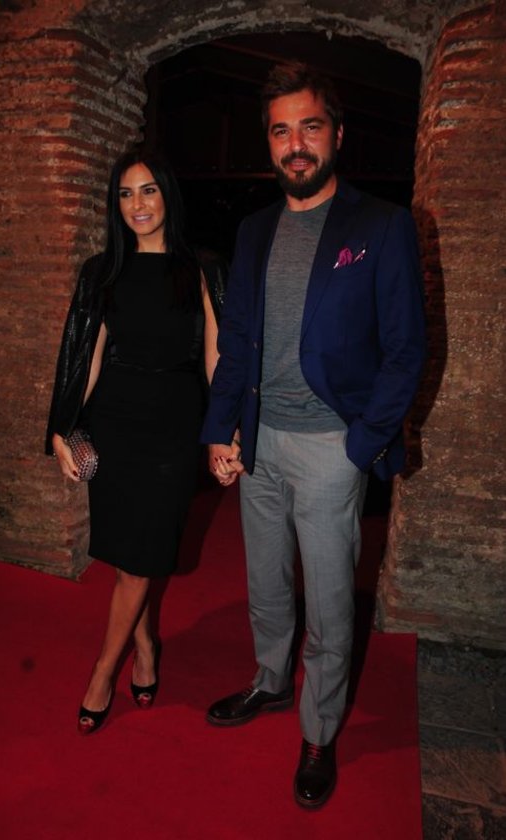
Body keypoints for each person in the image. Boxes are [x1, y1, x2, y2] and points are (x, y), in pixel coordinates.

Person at [200, 62, 426, 809]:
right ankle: (270, 681)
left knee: (329, 605)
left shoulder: (381, 225)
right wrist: (221, 429)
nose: (295, 144)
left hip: (333, 447)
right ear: (268, 142)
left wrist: (362, 444)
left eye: (310, 127)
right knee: (265, 584)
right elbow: (238, 340)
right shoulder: (254, 229)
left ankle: (320, 729)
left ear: (337, 134)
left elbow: (406, 351)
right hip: (259, 441)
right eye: (280, 131)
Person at [46, 148, 225, 735]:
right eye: (125, 194)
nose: (137, 204)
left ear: (168, 194)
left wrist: (222, 431)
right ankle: (145, 645)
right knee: (131, 556)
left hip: (173, 427)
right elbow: (87, 355)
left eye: (148, 190)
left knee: (141, 556)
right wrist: (62, 427)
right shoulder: (101, 270)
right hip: (114, 423)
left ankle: (103, 671)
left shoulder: (201, 267)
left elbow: (216, 358)